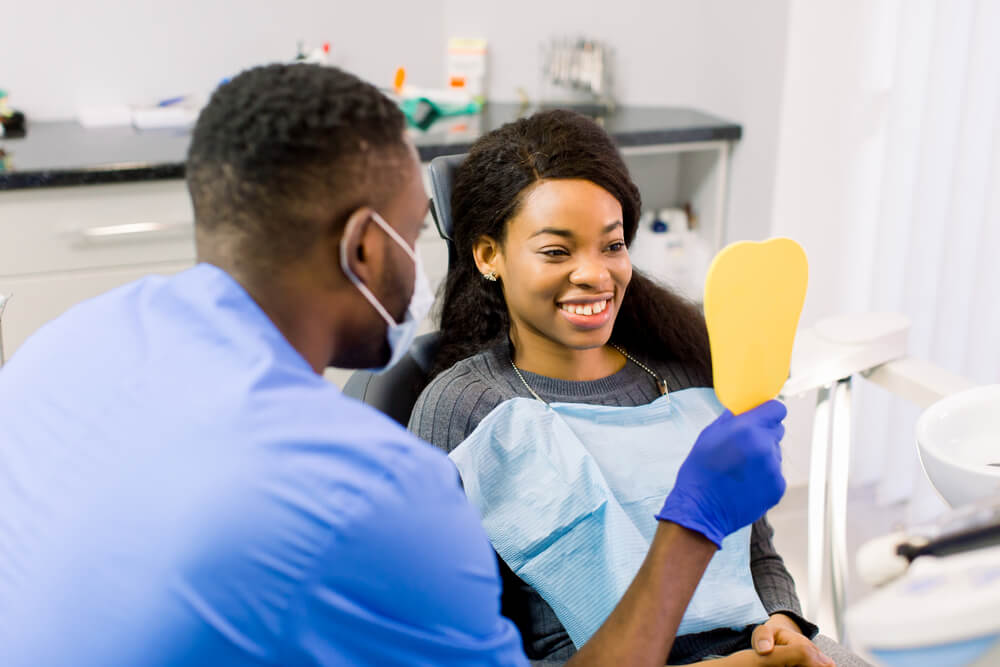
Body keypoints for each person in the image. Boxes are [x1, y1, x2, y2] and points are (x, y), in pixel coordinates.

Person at [0, 65, 786, 666]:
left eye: (612, 243)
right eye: (417, 232)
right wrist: (695, 522)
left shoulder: (60, 347)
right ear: (365, 248)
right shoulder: (379, 488)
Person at [411, 110, 865, 666]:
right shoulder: (470, 409)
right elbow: (450, 643)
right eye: (557, 251)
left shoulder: (687, 365)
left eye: (612, 244)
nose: (595, 275)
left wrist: (784, 623)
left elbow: (756, 547)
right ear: (488, 255)